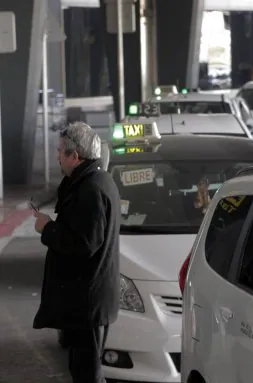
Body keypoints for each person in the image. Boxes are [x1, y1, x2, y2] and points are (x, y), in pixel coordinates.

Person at [32, 122, 121, 383]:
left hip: (88, 302)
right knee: (82, 369)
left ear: (75, 155)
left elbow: (83, 244)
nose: (57, 155)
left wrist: (47, 229)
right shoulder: (90, 181)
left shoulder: (91, 189)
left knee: (88, 373)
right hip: (85, 301)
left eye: (61, 151)